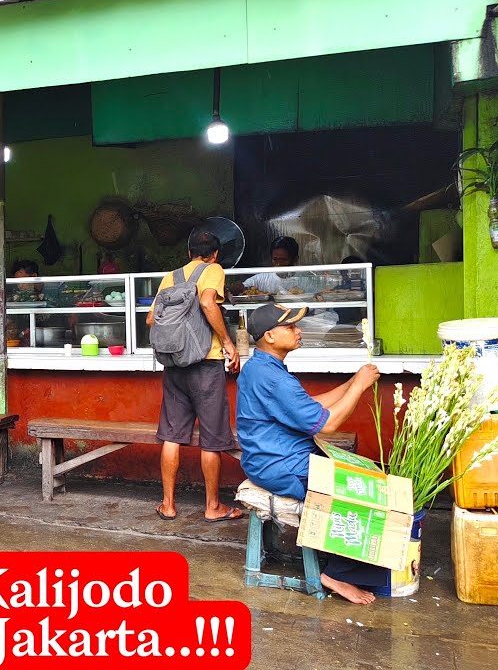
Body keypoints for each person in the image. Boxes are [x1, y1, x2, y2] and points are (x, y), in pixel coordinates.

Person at [236, 303, 383, 604]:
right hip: (280, 465)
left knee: (369, 473)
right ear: (270, 337)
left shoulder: (262, 366)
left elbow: (309, 406)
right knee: (357, 490)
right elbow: (328, 423)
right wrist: (361, 387)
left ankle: (343, 568)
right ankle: (336, 574)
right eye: (290, 327)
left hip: (273, 457)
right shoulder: (272, 377)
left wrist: (353, 382)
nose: (298, 330)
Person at [147, 230, 243, 523]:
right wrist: (228, 343)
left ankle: (168, 504)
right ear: (215, 254)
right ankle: (213, 506)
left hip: (174, 363)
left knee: (172, 435)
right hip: (205, 363)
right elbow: (207, 302)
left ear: (189, 252)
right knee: (212, 438)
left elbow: (151, 319)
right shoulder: (213, 269)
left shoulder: (171, 277)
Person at [0, 259, 43, 345]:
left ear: (34, 276)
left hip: (49, 340)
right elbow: (5, 319)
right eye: (17, 282)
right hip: (23, 342)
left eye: (22, 281)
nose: (20, 285)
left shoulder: (49, 293)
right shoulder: (17, 298)